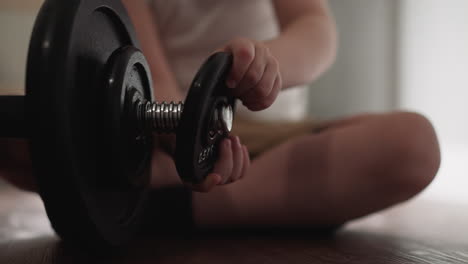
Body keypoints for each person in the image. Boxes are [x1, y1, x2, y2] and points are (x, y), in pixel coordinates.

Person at [1, 0, 440, 231]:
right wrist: (183, 136)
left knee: (411, 145)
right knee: (15, 134)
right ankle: (166, 189)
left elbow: (317, 31)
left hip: (265, 138)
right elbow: (146, 68)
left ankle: (153, 203)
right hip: (149, 123)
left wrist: (269, 68)